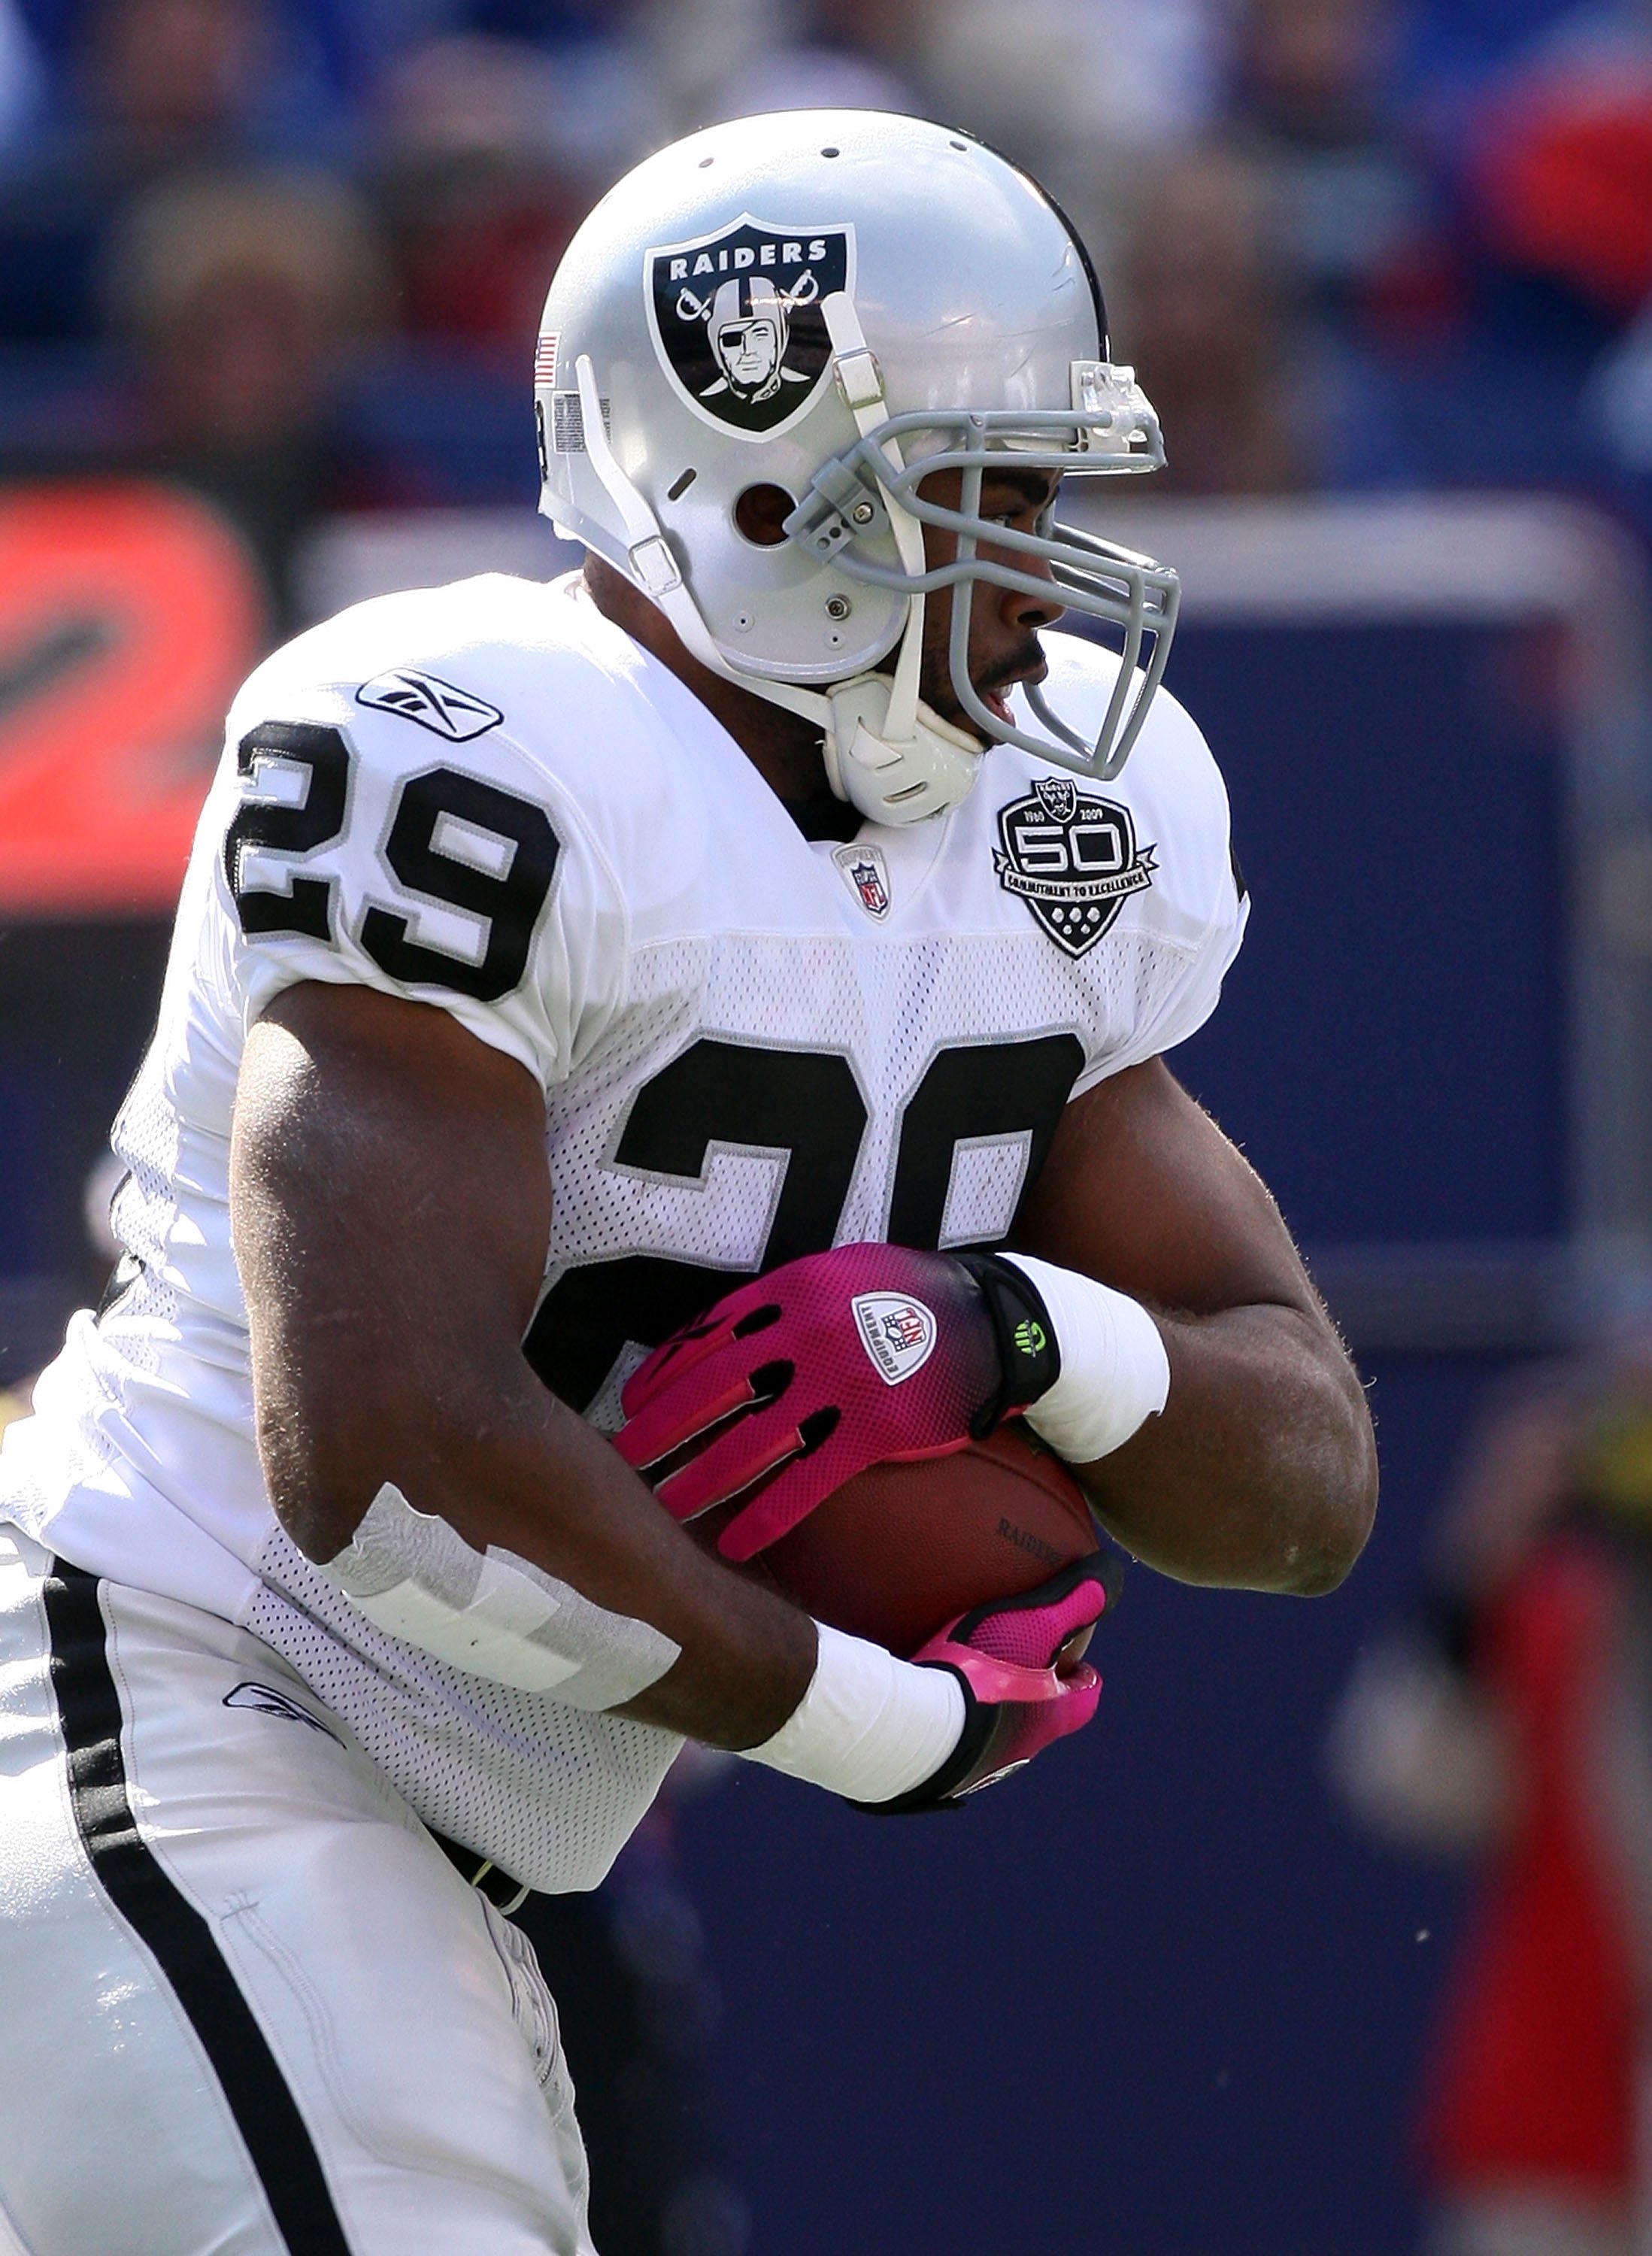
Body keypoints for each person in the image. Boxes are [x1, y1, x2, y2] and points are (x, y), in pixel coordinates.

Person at [0, 108, 1376, 2254]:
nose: (1052, 567)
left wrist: (1021, 1332)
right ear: (759, 485)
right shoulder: (457, 738)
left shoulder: (1049, 825)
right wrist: (864, 1723)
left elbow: (1303, 1480)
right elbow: (374, 1456)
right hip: (177, 1698)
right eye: (988, 495)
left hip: (437, 1833)